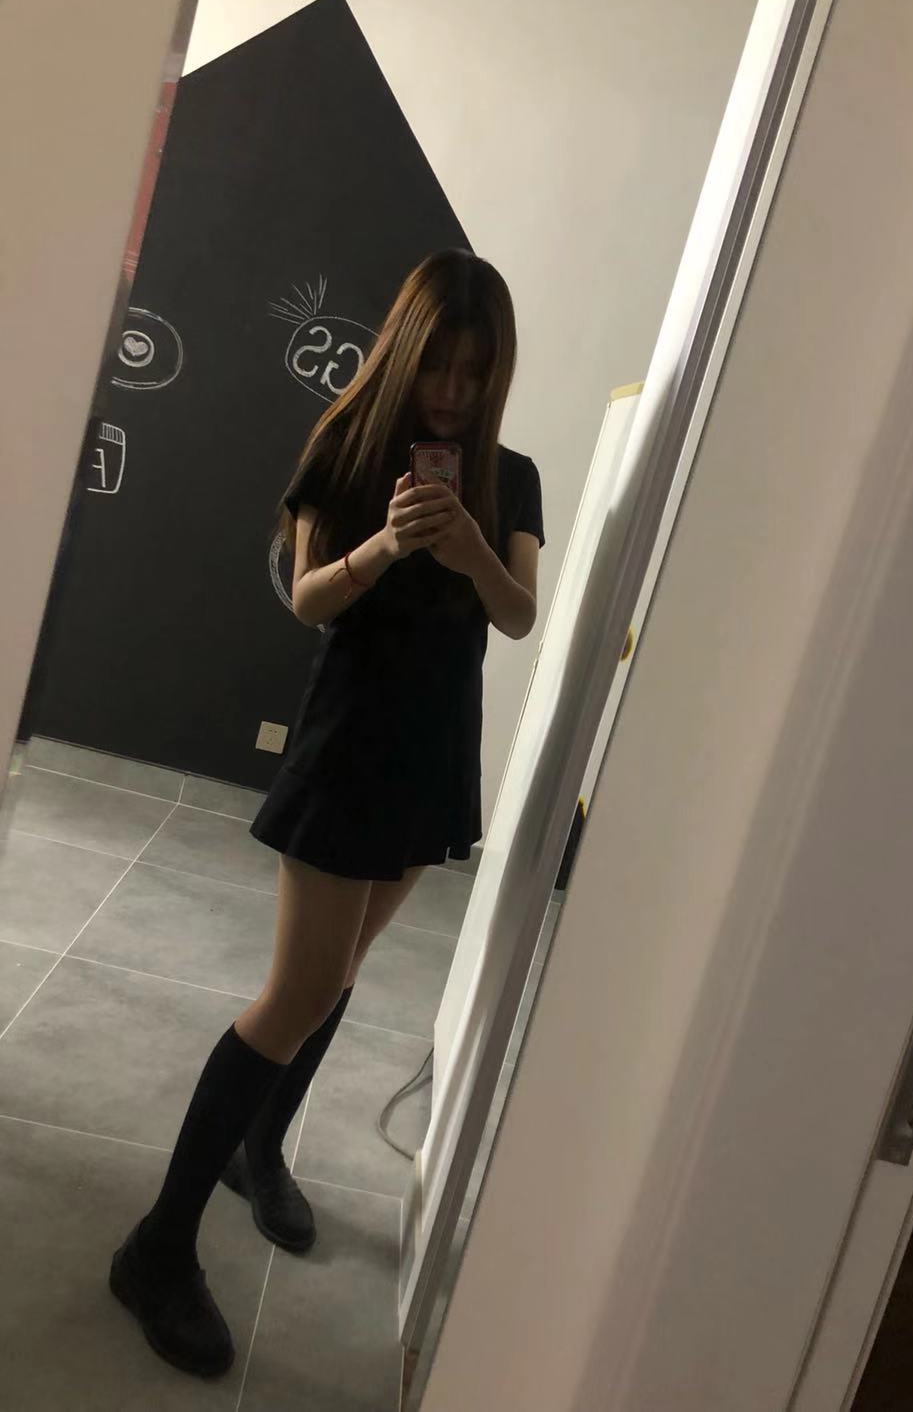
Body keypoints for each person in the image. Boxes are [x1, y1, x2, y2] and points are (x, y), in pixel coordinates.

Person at [110, 249, 543, 1377]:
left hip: (432, 758)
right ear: (406, 351)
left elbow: (517, 615)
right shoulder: (346, 451)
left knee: (340, 975)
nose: (451, 390)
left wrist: (470, 546)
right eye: (438, 365)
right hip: (349, 749)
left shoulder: (510, 476)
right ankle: (157, 1246)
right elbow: (308, 600)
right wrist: (390, 543)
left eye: (474, 371)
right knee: (296, 992)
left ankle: (260, 1150)